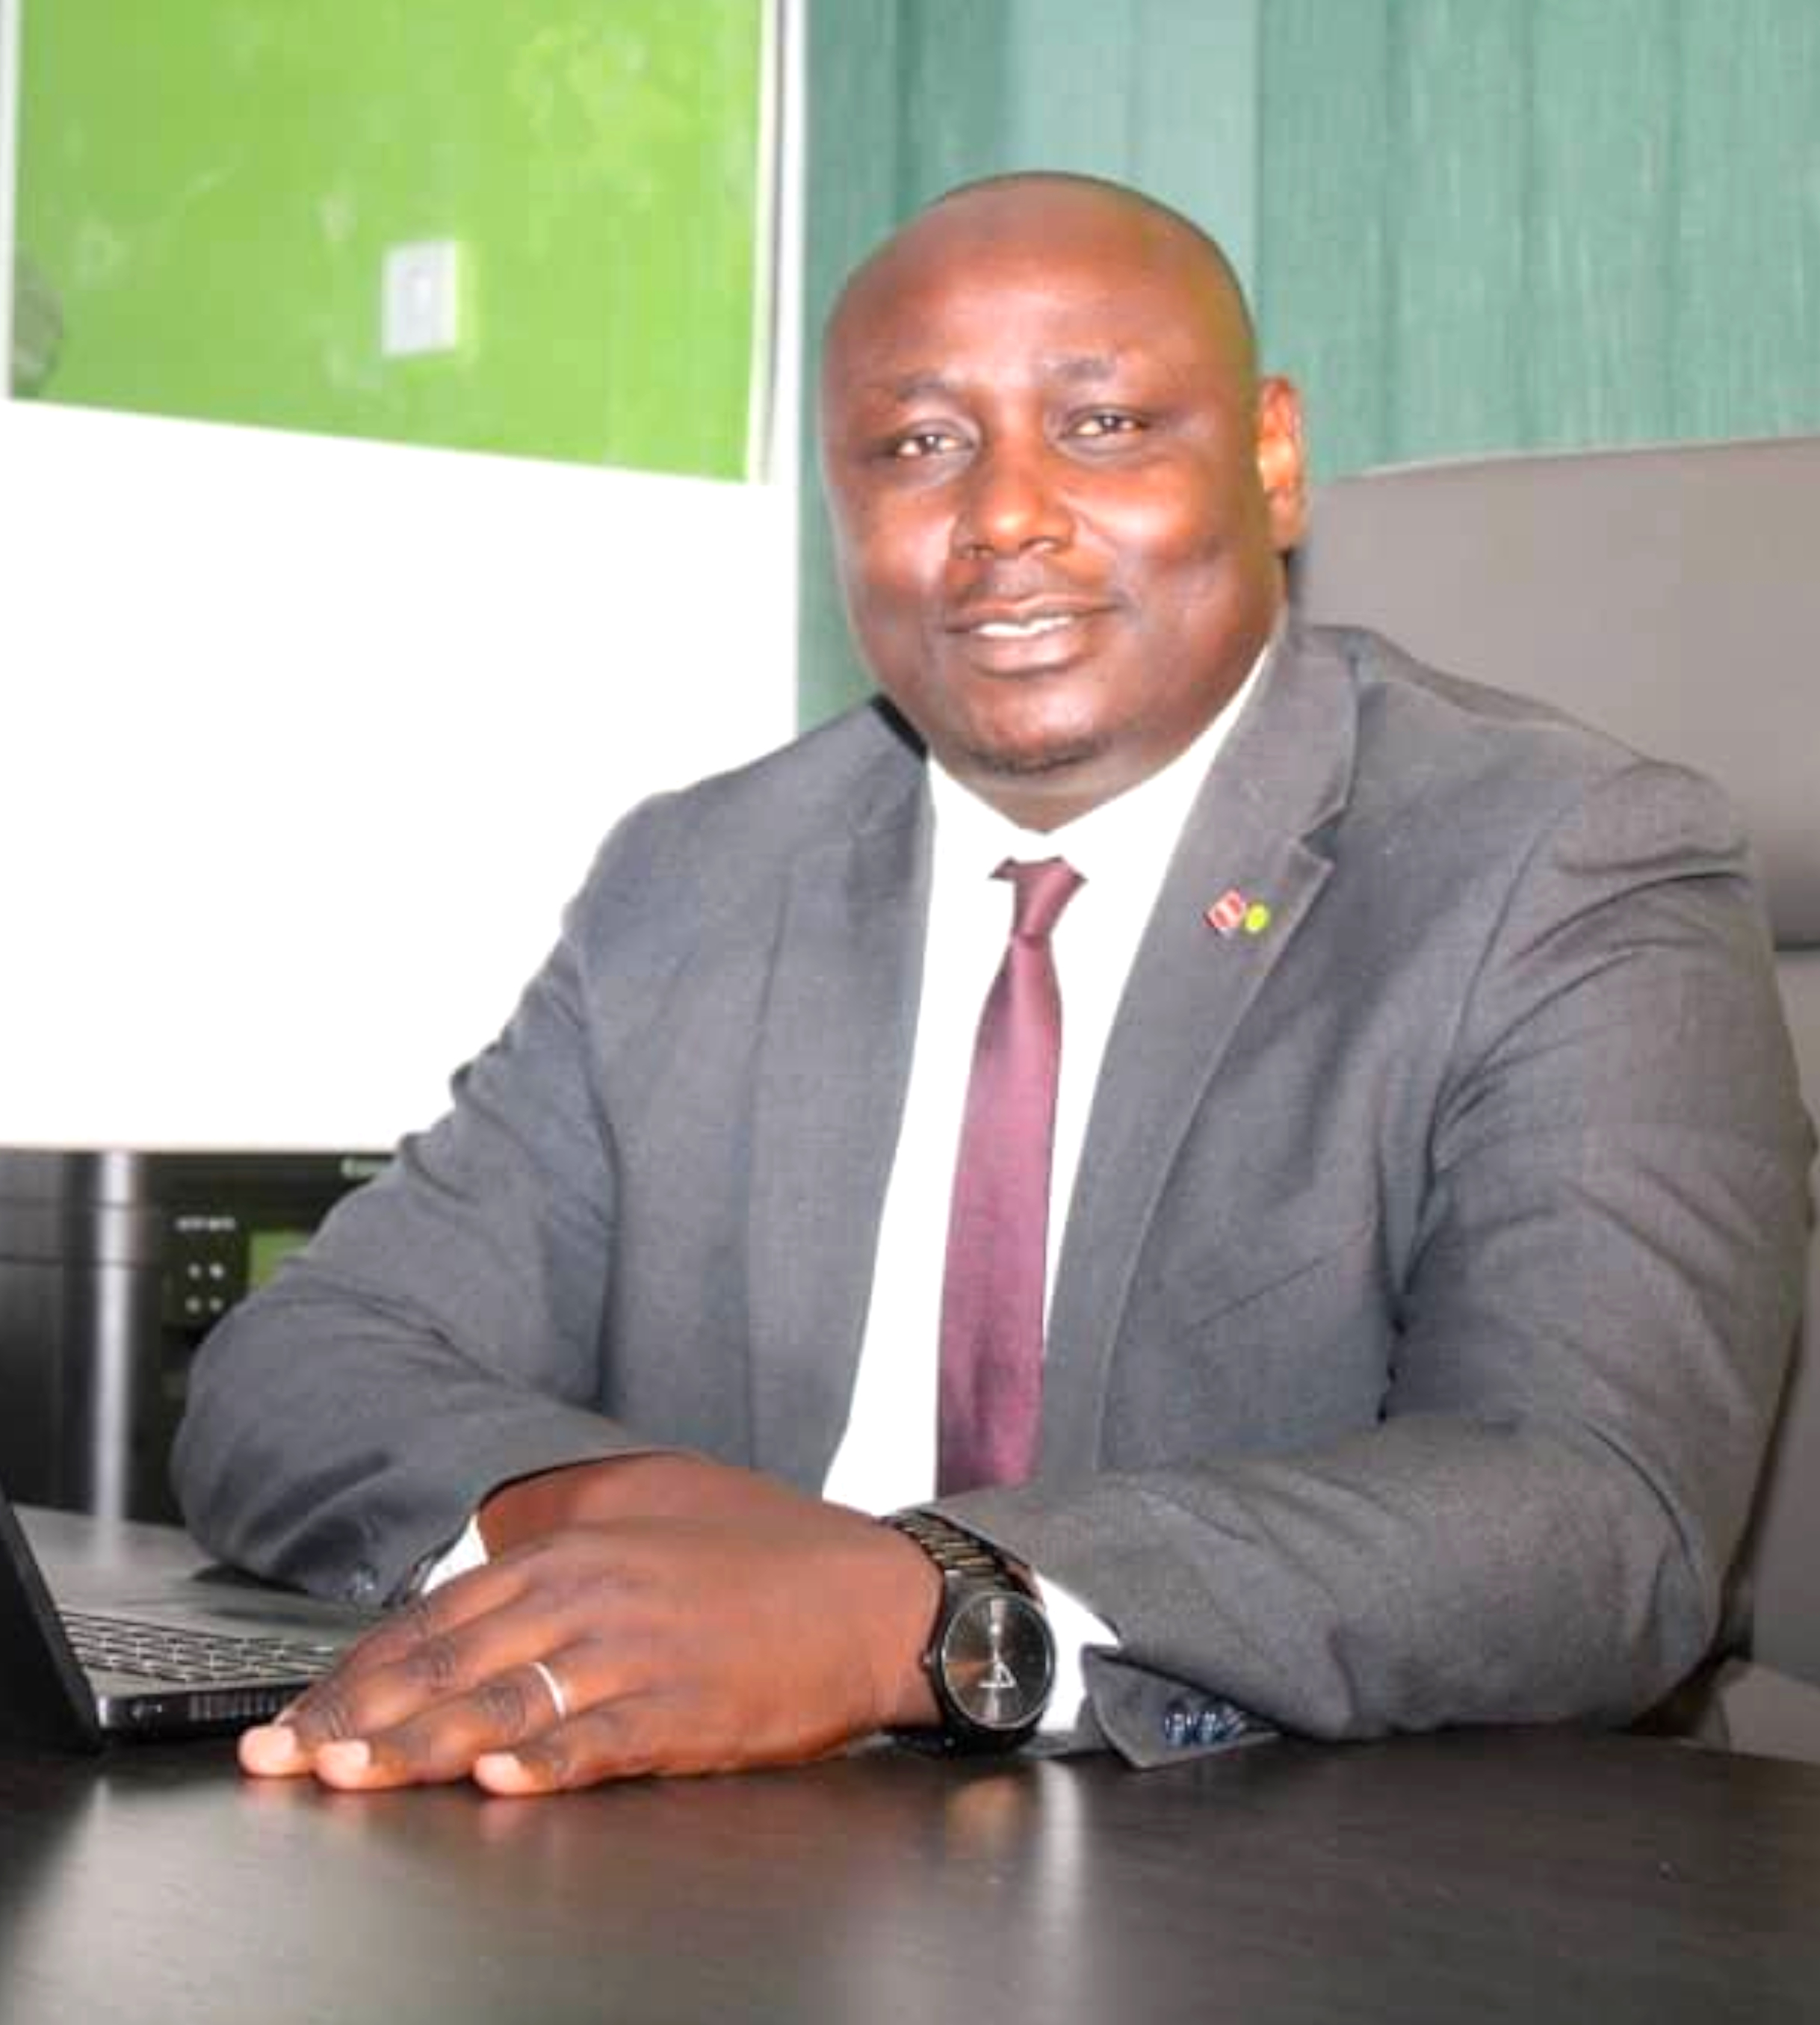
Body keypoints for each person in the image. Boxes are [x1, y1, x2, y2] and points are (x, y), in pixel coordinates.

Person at [173, 171, 1812, 1794]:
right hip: (728, 1846)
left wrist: (915, 1606)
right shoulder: (697, 877)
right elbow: (302, 1361)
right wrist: (625, 1528)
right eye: (917, 445)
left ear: (1272, 459)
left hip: (1329, 1861)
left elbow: (1595, 1511)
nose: (1005, 513)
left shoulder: (1559, 865)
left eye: (1103, 424)